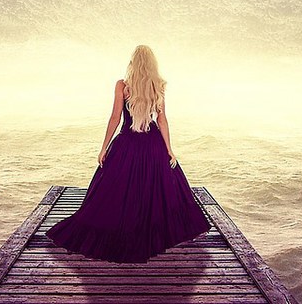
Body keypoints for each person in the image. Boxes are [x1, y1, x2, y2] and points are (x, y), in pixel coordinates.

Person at [45, 45, 212, 263]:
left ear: (133, 62)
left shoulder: (122, 86)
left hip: (128, 141)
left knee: (115, 188)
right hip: (153, 144)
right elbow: (161, 120)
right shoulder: (158, 85)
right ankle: (155, 232)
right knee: (158, 187)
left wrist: (104, 147)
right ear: (152, 63)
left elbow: (115, 117)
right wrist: (169, 149)